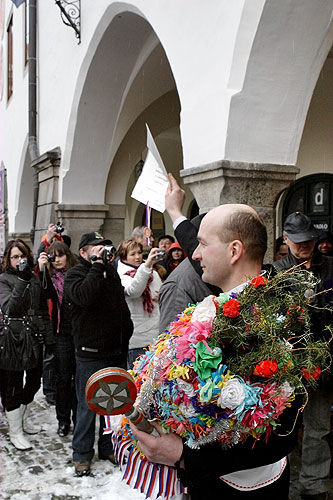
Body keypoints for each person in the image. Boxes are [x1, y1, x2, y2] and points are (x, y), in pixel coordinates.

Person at [131, 204, 301, 499]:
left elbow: (282, 435)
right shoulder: (214, 308)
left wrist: (185, 457)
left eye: (203, 244)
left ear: (234, 251)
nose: (195, 254)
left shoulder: (276, 319)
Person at [273, 212, 333, 500]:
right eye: (298, 241)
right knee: (283, 427)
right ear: (286, 239)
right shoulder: (276, 272)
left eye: (309, 239)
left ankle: (314, 484)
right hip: (289, 364)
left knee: (318, 427)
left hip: (323, 362)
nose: (305, 245)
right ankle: (277, 480)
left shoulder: (330, 267)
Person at [64, 232, 133, 477]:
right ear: (83, 252)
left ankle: (108, 447)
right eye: (97, 247)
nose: (103, 250)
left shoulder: (109, 270)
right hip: (90, 353)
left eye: (105, 245)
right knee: (87, 405)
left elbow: (118, 303)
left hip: (115, 349)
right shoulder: (76, 273)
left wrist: (126, 332)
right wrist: (96, 266)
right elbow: (85, 296)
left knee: (112, 405)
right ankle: (82, 454)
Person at [0, 239, 54, 451]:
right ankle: (15, 431)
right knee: (12, 385)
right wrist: (22, 279)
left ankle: (22, 421)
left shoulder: (33, 277)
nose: (19, 260)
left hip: (34, 336)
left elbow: (46, 301)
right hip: (13, 338)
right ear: (8, 259)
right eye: (15, 257)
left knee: (33, 382)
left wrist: (42, 272)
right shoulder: (3, 280)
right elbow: (11, 308)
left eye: (22, 256)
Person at [38, 241, 78, 438]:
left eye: (60, 255)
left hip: (79, 332)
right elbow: (44, 294)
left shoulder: (77, 273)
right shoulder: (50, 277)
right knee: (63, 379)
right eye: (53, 256)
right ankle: (63, 420)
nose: (58, 259)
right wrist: (43, 270)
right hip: (61, 333)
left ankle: (79, 419)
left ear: (67, 255)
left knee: (78, 379)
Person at [117, 239, 163, 368]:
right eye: (132, 254)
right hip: (138, 338)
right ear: (123, 257)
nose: (138, 257)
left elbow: (161, 292)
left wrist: (162, 296)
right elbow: (134, 291)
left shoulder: (152, 273)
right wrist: (147, 265)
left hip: (157, 334)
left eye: (139, 253)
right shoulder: (122, 275)